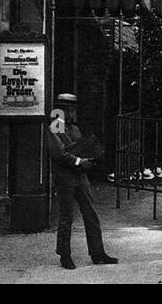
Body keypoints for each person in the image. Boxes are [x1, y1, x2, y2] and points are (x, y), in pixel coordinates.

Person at [47, 92, 117, 269]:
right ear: (61, 110)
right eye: (69, 110)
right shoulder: (55, 127)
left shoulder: (74, 129)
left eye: (73, 110)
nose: (72, 113)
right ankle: (65, 255)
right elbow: (59, 154)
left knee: (90, 214)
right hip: (65, 177)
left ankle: (98, 253)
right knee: (66, 216)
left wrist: (89, 158)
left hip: (79, 176)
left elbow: (80, 149)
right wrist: (80, 161)